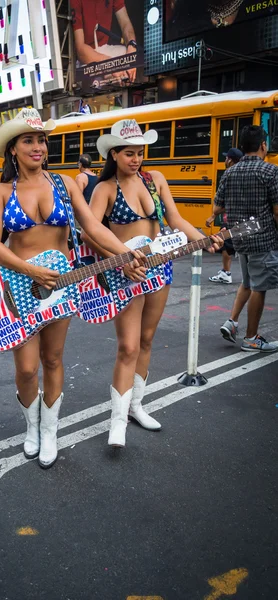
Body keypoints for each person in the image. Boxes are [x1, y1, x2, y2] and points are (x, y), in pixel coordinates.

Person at [0, 107, 144, 468]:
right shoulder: (0, 192)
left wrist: (126, 254)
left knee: (53, 359)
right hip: (19, 288)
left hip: (62, 286)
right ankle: (32, 429)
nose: (38, 146)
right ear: (13, 148)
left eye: (41, 140)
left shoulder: (64, 184)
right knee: (26, 369)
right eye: (29, 140)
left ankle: (51, 432)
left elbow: (93, 227)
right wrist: (30, 270)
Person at [80, 119, 222, 448]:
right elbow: (89, 232)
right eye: (129, 153)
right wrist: (122, 261)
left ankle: (136, 407)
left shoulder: (154, 180)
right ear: (113, 154)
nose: (136, 159)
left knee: (146, 341)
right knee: (127, 346)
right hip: (126, 273)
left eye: (140, 152)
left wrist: (203, 238)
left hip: (159, 268)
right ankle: (117, 421)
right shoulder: (105, 189)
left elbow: (175, 218)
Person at [211, 125, 278, 353]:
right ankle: (251, 338)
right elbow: (277, 211)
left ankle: (232, 321)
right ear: (262, 145)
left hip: (240, 238)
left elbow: (217, 206)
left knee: (248, 282)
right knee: (259, 288)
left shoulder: (230, 172)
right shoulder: (270, 172)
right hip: (264, 239)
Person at [71, 0, 138, 85]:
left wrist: (131, 51)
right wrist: (111, 64)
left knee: (131, 56)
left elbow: (125, 23)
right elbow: (81, 50)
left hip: (105, 49)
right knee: (94, 78)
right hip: (88, 56)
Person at [206, 148, 243, 284]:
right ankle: (226, 272)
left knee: (226, 245)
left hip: (231, 219)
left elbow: (226, 202)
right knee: (228, 246)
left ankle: (226, 273)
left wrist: (213, 215)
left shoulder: (229, 175)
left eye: (226, 158)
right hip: (241, 218)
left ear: (230, 160)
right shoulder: (243, 174)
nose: (224, 160)